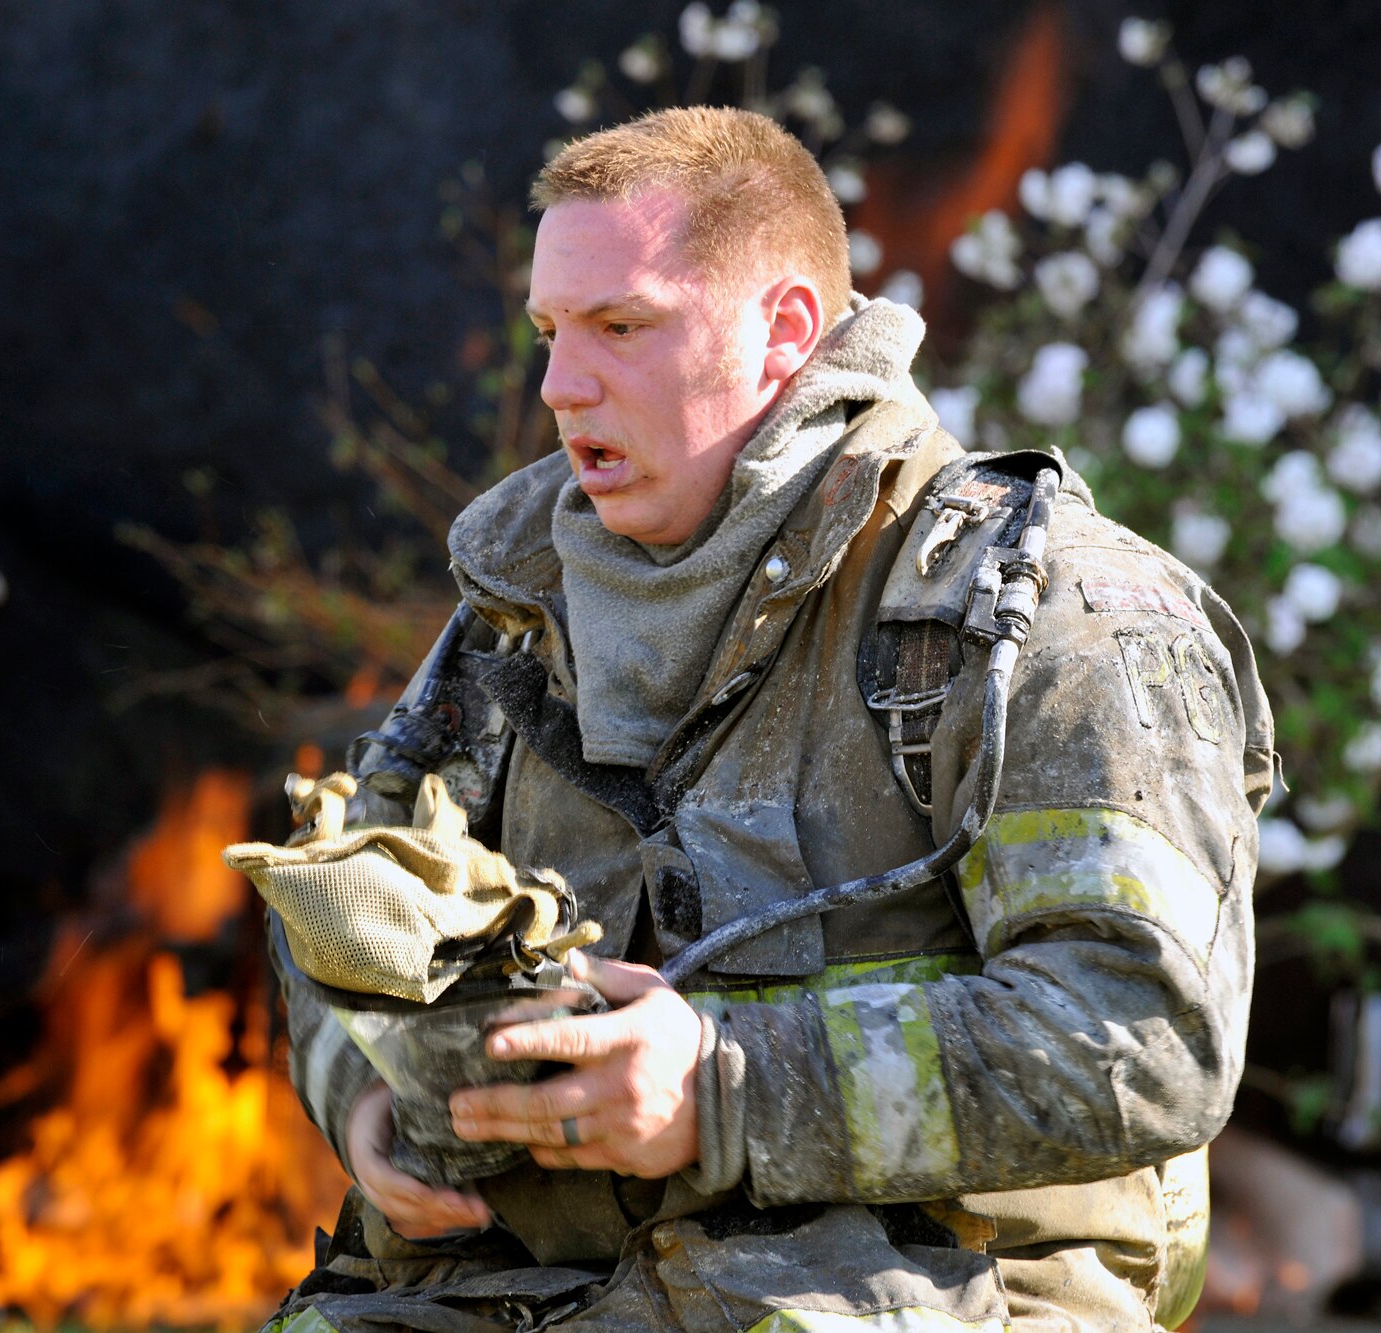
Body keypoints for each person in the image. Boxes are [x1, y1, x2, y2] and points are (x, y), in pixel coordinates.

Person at [265, 106, 1271, 1333]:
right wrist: (373, 1104)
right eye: (547, 331)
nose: (558, 384)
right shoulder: (515, 604)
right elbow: (337, 908)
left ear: (785, 330)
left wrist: (715, 1086)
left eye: (621, 327)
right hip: (522, 1287)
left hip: (937, 1300)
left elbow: (1139, 1034)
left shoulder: (1048, 614)